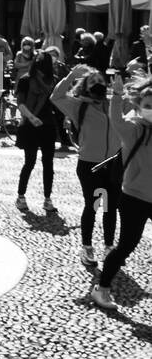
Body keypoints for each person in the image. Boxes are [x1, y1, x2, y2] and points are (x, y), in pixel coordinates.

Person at [91, 72, 152, 310]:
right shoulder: (133, 129)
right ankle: (102, 288)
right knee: (126, 246)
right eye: (148, 106)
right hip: (134, 198)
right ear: (139, 106)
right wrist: (116, 95)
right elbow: (116, 119)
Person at [53, 66, 123, 268]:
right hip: (90, 165)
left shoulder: (114, 102)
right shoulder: (78, 106)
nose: (98, 84)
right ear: (85, 86)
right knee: (92, 206)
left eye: (100, 80)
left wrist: (119, 91)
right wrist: (71, 76)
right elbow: (56, 97)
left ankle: (109, 247)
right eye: (92, 81)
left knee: (110, 208)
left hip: (113, 164)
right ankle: (87, 247)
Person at [14, 51, 59, 213]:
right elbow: (20, 102)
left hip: (47, 125)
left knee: (48, 164)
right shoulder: (26, 80)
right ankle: (21, 196)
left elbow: (57, 103)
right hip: (31, 124)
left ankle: (47, 198)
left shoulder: (52, 82)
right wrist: (32, 118)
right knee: (30, 162)